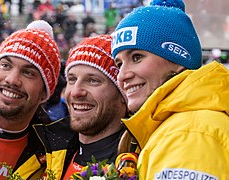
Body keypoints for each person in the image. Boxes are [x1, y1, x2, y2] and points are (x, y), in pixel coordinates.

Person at [111, 0, 229, 179]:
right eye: (119, 64)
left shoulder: (189, 133)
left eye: (137, 57)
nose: (122, 75)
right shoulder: (177, 125)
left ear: (177, 60)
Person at [0, 20, 62, 179]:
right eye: (6, 65)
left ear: (44, 92)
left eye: (28, 73)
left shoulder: (55, 158)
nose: (12, 80)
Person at [61, 34, 128, 179]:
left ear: (123, 94)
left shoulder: (133, 164)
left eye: (93, 80)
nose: (76, 92)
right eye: (72, 79)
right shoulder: (47, 148)